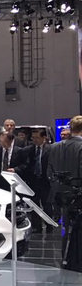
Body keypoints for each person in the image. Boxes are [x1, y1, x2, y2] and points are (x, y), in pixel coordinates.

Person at [48, 116, 82, 270]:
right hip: (78, 195)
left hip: (60, 195)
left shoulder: (54, 147)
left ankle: (65, 259)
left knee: (64, 229)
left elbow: (49, 171)